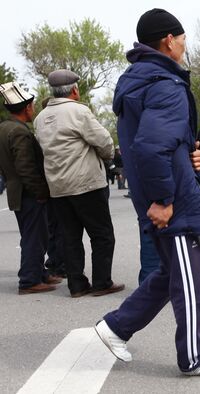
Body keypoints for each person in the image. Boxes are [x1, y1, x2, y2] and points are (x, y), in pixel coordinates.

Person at [95, 8, 200, 376]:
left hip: (165, 192)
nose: (185, 46)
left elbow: (158, 143)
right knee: (195, 284)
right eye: (183, 39)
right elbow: (149, 147)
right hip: (170, 201)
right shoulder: (166, 84)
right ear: (168, 41)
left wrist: (191, 156)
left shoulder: (142, 80)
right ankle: (194, 355)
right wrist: (164, 200)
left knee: (169, 276)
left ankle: (115, 327)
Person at [34, 69, 124, 298]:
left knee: (70, 236)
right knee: (102, 234)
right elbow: (103, 141)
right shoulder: (79, 111)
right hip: (86, 183)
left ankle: (77, 285)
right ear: (74, 90)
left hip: (58, 187)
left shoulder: (40, 118)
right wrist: (106, 157)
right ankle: (102, 282)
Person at [0, 82, 61, 294]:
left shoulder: (5, 127)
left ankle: (38, 273)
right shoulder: (19, 132)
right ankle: (29, 281)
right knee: (34, 237)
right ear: (27, 107)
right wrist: (41, 192)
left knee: (35, 235)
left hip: (18, 192)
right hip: (29, 194)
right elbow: (25, 167)